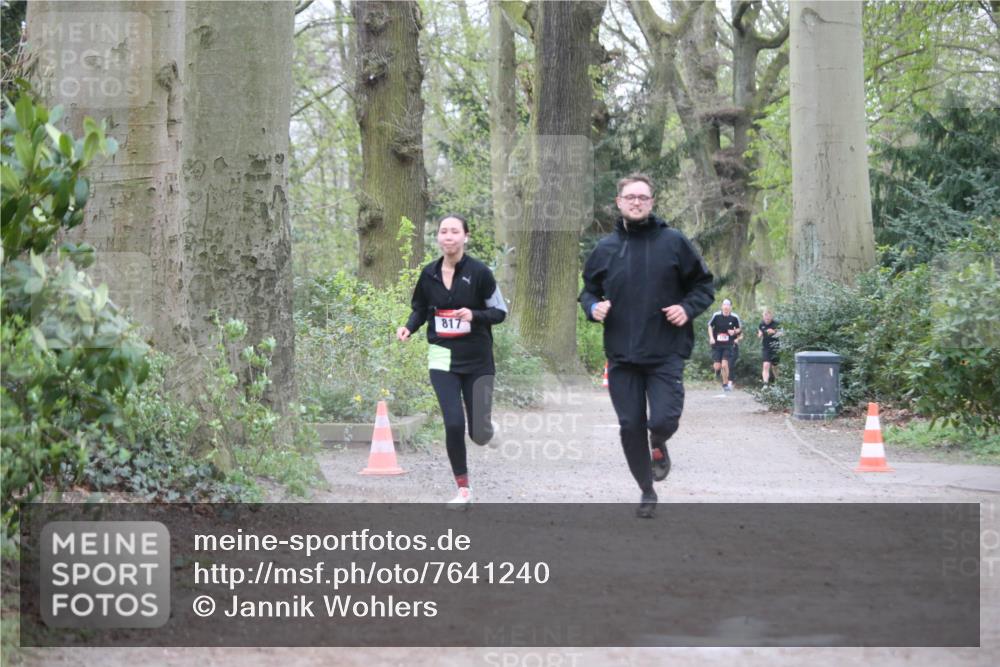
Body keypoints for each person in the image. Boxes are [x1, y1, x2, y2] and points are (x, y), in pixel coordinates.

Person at [580, 173, 715, 519]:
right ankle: (646, 489)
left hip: (665, 351)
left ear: (652, 202)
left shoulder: (674, 242)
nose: (636, 202)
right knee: (629, 425)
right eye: (630, 197)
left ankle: (659, 442)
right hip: (622, 355)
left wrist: (687, 308)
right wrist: (593, 307)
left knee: (664, 420)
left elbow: (703, 286)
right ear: (620, 203)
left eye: (643, 197)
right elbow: (588, 291)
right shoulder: (605, 249)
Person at [397, 215, 507, 509]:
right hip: (442, 356)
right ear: (438, 238)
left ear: (465, 237)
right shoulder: (428, 274)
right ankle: (463, 489)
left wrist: (474, 315)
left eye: (454, 231)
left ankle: (488, 429)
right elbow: (420, 308)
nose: (448, 236)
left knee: (478, 434)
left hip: (478, 358)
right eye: (443, 231)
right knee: (454, 423)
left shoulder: (480, 273)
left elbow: (500, 312)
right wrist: (409, 327)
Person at [708, 299, 742, 393]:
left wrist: (734, 331)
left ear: (731, 307)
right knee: (717, 366)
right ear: (722, 306)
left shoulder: (734, 317)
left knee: (724, 364)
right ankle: (717, 371)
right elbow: (710, 326)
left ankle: (725, 384)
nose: (726, 307)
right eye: (724, 305)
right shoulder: (716, 315)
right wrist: (711, 337)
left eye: (728, 305)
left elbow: (739, 329)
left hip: (728, 344)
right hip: (717, 344)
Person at [757, 309, 781, 384]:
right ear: (763, 316)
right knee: (766, 365)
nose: (767, 318)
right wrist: (760, 334)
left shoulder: (776, 323)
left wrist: (774, 332)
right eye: (765, 316)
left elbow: (782, 334)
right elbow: (759, 333)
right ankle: (765, 384)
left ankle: (778, 382)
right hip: (766, 348)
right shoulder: (761, 324)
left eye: (768, 316)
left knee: (775, 367)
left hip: (775, 348)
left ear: (771, 316)